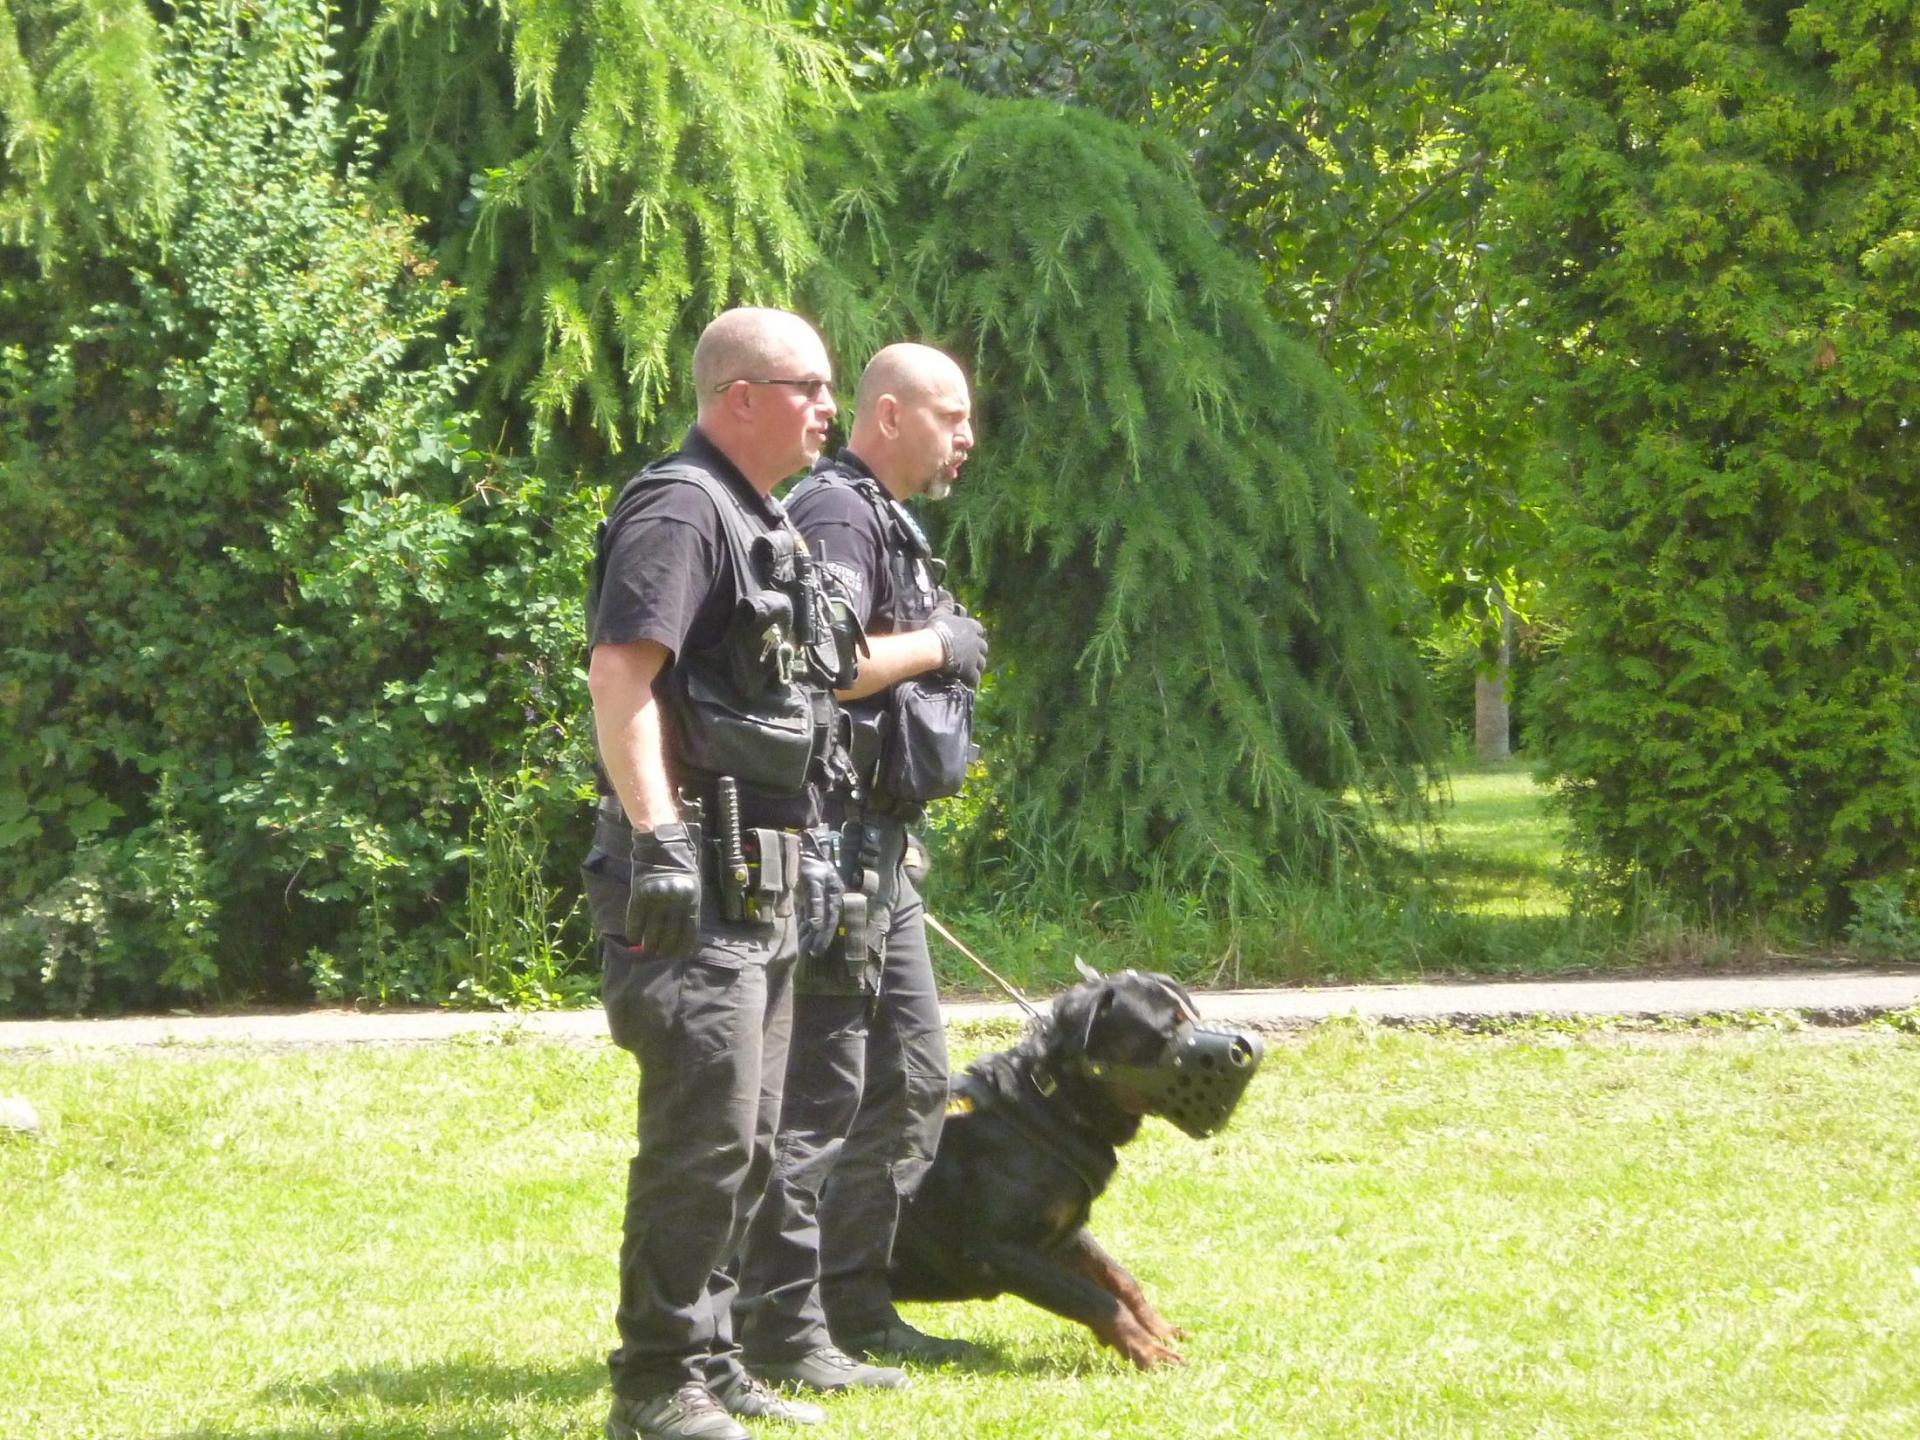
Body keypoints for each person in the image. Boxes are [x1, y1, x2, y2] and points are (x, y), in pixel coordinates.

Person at [583, 307, 858, 1440]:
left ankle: (714, 1353)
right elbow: (620, 675)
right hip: (693, 875)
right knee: (702, 1138)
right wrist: (657, 836)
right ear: (740, 396)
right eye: (809, 387)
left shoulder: (762, 518)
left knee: (750, 1138)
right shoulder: (681, 509)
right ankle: (655, 1384)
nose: (828, 408)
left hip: (764, 876)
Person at [735, 343, 988, 1386]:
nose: (967, 437)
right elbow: (825, 668)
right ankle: (780, 1324)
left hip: (878, 849)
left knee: (913, 1079)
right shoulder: (838, 512)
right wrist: (940, 645)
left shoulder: (884, 518)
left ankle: (853, 1305)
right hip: (834, 854)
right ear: (889, 415)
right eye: (950, 417)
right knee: (825, 1094)